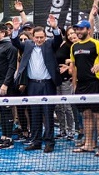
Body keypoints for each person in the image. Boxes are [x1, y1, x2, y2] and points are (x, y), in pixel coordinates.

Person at [13, 15, 62, 153]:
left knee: (48, 114)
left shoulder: (50, 44)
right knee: (35, 114)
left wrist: (55, 28)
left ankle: (49, 142)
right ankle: (36, 141)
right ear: (32, 37)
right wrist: (15, 30)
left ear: (45, 37)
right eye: (37, 37)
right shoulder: (27, 45)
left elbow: (58, 40)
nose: (39, 40)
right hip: (32, 85)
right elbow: (15, 43)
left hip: (48, 85)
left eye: (42, 37)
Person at [70, 19, 99, 156]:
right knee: (86, 116)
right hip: (81, 86)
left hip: (95, 83)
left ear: (88, 30)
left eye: (81, 29)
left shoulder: (96, 44)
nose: (78, 31)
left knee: (98, 116)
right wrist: (74, 84)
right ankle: (88, 144)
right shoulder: (74, 47)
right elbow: (74, 66)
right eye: (77, 29)